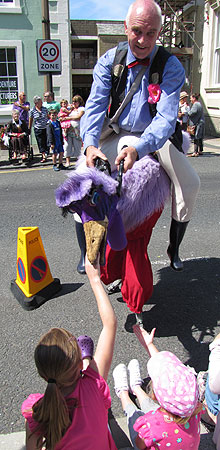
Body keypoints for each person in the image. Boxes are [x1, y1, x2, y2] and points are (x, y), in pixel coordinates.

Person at [81, 0, 200, 272]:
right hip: (116, 131)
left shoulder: (170, 66)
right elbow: (95, 106)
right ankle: (87, 250)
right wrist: (89, 145)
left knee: (191, 184)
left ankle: (174, 247)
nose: (143, 40)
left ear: (159, 33)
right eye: (137, 31)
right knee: (85, 183)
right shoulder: (110, 61)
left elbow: (166, 118)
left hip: (154, 138)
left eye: (151, 33)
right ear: (125, 28)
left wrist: (140, 148)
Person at [21, 256, 117, 450]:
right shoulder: (94, 386)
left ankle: (86, 358)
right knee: (96, 385)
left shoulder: (36, 410)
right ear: (79, 367)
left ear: (43, 374)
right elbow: (110, 325)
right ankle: (87, 357)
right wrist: (95, 280)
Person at [113, 325, 204, 450]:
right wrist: (149, 345)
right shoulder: (192, 410)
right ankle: (136, 388)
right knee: (152, 409)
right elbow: (168, 371)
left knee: (134, 417)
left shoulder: (151, 427)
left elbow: (140, 445)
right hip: (168, 424)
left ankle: (123, 392)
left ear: (155, 395)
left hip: (152, 430)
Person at [60, 94, 85, 168]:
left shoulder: (81, 109)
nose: (74, 103)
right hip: (68, 130)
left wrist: (67, 118)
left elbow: (78, 117)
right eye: (73, 101)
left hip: (76, 131)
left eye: (76, 101)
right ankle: (68, 162)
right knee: (67, 145)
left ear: (79, 102)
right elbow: (63, 113)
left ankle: (79, 161)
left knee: (77, 146)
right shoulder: (70, 109)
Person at [29, 96, 48, 163]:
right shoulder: (32, 110)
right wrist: (29, 128)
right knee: (40, 142)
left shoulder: (45, 109)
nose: (42, 103)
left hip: (45, 128)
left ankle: (46, 153)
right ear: (36, 103)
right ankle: (43, 156)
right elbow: (30, 120)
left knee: (46, 141)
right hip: (38, 128)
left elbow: (48, 117)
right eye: (40, 102)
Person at [188, 93, 205, 157]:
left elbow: (191, 113)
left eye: (191, 98)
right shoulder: (199, 104)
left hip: (197, 123)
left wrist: (187, 108)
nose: (190, 99)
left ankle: (195, 152)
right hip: (200, 122)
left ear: (194, 98)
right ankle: (200, 150)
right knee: (200, 137)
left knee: (196, 137)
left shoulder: (195, 105)